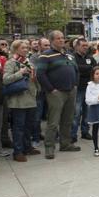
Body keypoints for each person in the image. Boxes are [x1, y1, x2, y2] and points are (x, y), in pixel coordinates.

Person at [36, 30, 81, 159]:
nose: (61, 40)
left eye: (62, 38)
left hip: (71, 91)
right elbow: (40, 74)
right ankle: (49, 147)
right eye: (58, 38)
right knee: (53, 122)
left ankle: (65, 144)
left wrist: (75, 84)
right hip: (56, 93)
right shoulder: (45, 55)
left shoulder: (69, 55)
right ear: (51, 41)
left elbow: (76, 71)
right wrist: (51, 89)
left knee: (68, 120)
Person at [3, 40, 40, 162]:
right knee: (18, 127)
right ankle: (18, 151)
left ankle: (27, 147)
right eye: (23, 48)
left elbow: (33, 80)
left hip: (30, 98)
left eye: (27, 47)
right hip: (18, 100)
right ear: (15, 49)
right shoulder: (11, 63)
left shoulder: (28, 61)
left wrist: (34, 78)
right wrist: (20, 72)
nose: (26, 49)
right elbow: (6, 80)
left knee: (29, 126)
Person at [72, 38, 94, 143]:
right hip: (78, 88)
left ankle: (85, 132)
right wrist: (88, 68)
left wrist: (85, 69)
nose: (85, 47)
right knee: (76, 112)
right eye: (83, 45)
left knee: (87, 111)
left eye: (86, 45)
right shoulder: (72, 57)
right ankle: (73, 134)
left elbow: (95, 68)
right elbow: (75, 68)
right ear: (77, 46)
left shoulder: (90, 57)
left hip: (89, 88)